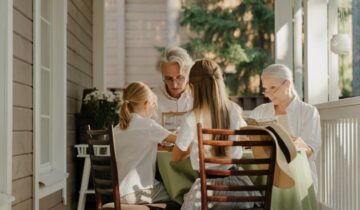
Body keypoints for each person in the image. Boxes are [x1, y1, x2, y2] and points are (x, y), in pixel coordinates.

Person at [172, 59, 260, 210]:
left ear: (192, 87)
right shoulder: (234, 110)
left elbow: (176, 156)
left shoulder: (191, 118)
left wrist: (194, 145)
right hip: (241, 190)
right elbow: (245, 137)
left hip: (208, 194)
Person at [249, 63, 321, 191]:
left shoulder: (308, 112)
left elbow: (311, 151)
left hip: (298, 174)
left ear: (287, 84)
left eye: (273, 88)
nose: (268, 94)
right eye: (266, 89)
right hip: (267, 174)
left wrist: (299, 144)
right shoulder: (259, 112)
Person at [113, 81, 176, 204]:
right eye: (154, 104)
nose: (154, 108)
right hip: (139, 192)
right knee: (177, 196)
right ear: (146, 104)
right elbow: (180, 140)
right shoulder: (147, 125)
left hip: (119, 193)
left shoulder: (117, 129)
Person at [152, 46, 194, 125]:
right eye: (168, 78)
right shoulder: (152, 98)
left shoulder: (197, 97)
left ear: (188, 73)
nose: (174, 85)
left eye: (180, 78)